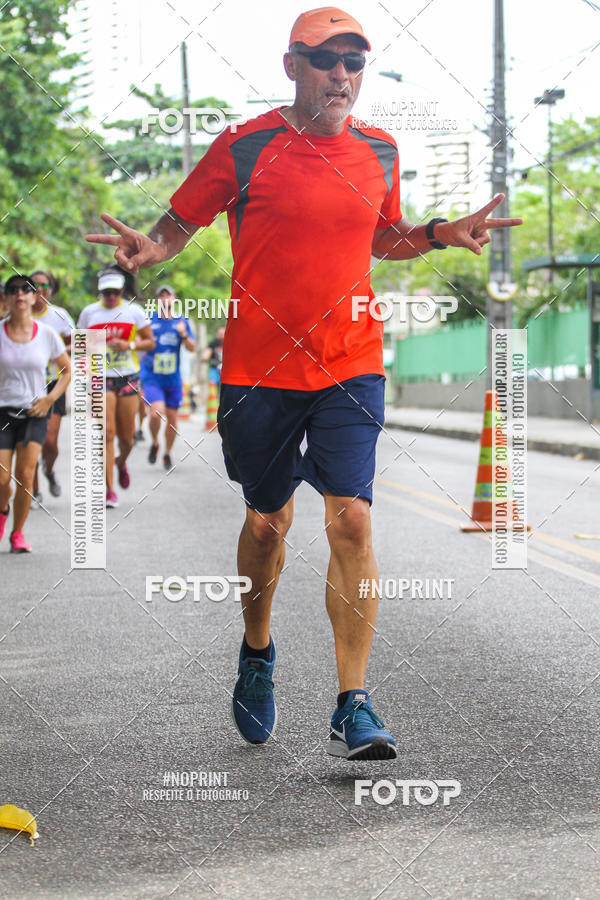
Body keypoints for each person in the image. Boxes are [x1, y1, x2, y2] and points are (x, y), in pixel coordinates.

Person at [86, 7, 522, 759]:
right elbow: (178, 224)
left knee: (352, 521)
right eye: (326, 60)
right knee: (267, 523)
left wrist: (438, 233)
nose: (342, 75)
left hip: (350, 361)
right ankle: (257, 649)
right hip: (259, 370)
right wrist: (149, 250)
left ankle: (354, 702)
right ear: (293, 66)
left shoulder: (381, 150)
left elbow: (382, 235)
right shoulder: (244, 146)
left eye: (355, 61)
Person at [0, 274, 71, 552]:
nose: (20, 294)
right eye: (13, 290)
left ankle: (17, 533)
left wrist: (50, 399)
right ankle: (3, 508)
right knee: (2, 479)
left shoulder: (46, 334)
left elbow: (67, 370)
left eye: (26, 289)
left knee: (25, 474)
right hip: (3, 412)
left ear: (33, 297)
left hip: (35, 412)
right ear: (6, 298)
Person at [77, 268, 154, 508]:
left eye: (115, 292)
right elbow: (80, 346)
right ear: (101, 292)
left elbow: (150, 342)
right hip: (100, 378)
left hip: (128, 377)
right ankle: (109, 489)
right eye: (106, 292)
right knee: (107, 433)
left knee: (127, 438)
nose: (111, 296)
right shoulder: (89, 313)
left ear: (122, 290)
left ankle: (121, 462)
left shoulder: (134, 311)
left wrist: (128, 345)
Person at [30, 269, 75, 504]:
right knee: (31, 442)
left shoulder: (60, 316)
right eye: (34, 285)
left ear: (51, 289)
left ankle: (49, 470)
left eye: (44, 286)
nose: (39, 290)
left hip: (53, 384)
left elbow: (77, 345)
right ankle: (34, 490)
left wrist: (55, 351)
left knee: (50, 442)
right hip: (28, 386)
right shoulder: (19, 314)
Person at [140, 284, 195, 470]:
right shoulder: (149, 320)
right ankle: (155, 442)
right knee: (156, 414)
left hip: (173, 378)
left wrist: (183, 334)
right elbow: (138, 342)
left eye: (168, 295)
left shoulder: (181, 321)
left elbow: (192, 348)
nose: (165, 298)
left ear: (174, 299)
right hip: (152, 377)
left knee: (172, 420)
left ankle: (167, 453)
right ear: (157, 300)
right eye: (161, 296)